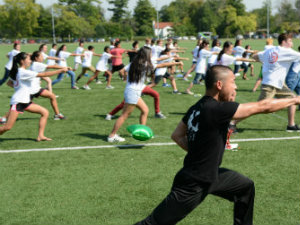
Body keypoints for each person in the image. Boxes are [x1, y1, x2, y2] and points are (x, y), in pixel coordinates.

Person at [134, 65, 300, 225]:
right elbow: (263, 106)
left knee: (245, 187)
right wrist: (295, 99)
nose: (235, 87)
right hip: (193, 183)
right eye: (233, 82)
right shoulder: (216, 109)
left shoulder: (196, 107)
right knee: (152, 223)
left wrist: (200, 152)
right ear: (219, 85)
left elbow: (177, 135)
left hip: (211, 175)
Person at [0, 52, 68, 141]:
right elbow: (43, 75)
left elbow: (12, 83)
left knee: (45, 112)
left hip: (25, 101)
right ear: (22, 61)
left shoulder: (19, 71)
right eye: (28, 59)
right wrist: (60, 70)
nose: (30, 61)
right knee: (7, 127)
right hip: (18, 102)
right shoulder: (23, 72)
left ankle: (40, 135)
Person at [253, 33, 300, 132]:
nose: (292, 43)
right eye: (290, 41)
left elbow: (255, 56)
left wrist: (267, 62)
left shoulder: (270, 50)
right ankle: (233, 123)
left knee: (293, 100)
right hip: (270, 84)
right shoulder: (287, 51)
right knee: (257, 108)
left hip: (278, 83)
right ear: (284, 42)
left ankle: (291, 125)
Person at [107, 47, 154, 142]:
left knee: (145, 110)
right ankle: (111, 136)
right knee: (124, 115)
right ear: (147, 54)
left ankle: (142, 131)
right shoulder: (146, 64)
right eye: (151, 53)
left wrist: (126, 78)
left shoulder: (134, 62)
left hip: (131, 90)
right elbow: (153, 70)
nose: (152, 55)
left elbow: (123, 70)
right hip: (133, 92)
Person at [29, 51, 67, 120]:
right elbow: (52, 66)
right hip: (32, 89)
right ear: (36, 58)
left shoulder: (35, 64)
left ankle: (57, 114)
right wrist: (63, 68)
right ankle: (4, 118)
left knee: (52, 96)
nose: (43, 58)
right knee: (20, 106)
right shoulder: (37, 64)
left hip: (35, 88)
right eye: (41, 56)